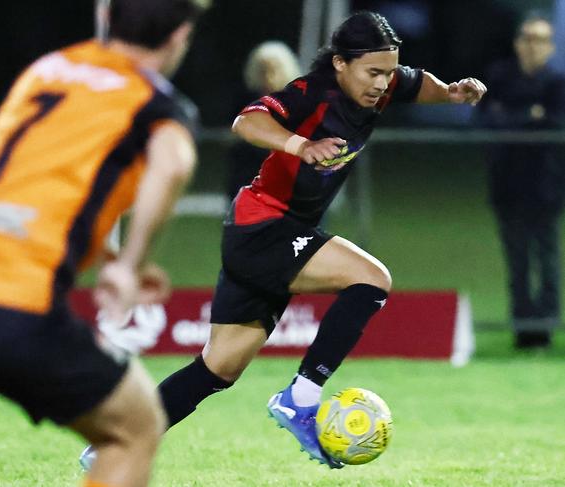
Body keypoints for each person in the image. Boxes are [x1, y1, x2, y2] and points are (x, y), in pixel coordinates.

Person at [155, 10, 486, 468]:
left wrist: (449, 93)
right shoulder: (312, 94)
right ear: (340, 64)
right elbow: (245, 123)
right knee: (371, 280)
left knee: (218, 368)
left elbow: (416, 82)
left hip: (267, 232)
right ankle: (301, 397)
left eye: (387, 72)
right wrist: (299, 144)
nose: (381, 83)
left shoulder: (383, 83)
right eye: (372, 72)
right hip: (265, 227)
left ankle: (117, 443)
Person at [0, 0, 207, 485]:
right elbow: (173, 163)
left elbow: (42, 177)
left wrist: (106, 253)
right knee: (135, 428)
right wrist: (131, 264)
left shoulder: (48, 69)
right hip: (16, 307)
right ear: (179, 36)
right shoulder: (154, 102)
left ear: (105, 15)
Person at [477, 13, 565, 349]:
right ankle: (522, 329)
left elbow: (556, 123)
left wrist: (513, 118)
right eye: (527, 38)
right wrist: (531, 115)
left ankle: (544, 327)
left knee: (547, 258)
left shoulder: (558, 82)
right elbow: (487, 120)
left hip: (546, 186)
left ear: (550, 46)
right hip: (508, 184)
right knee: (517, 260)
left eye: (540, 39)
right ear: (517, 43)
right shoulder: (500, 77)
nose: (532, 46)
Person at [226, 41, 302, 201]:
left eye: (273, 68)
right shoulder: (244, 101)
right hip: (248, 178)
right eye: (262, 69)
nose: (267, 74)